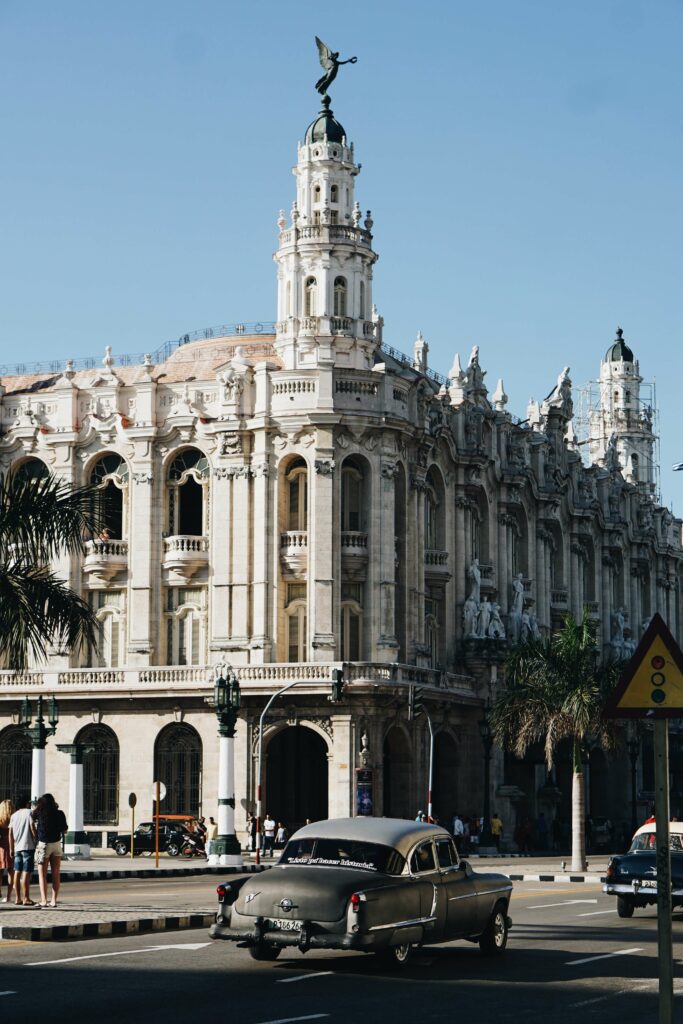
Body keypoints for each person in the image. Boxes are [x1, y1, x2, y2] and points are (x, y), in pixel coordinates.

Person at [32, 793, 68, 908]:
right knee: (56, 874)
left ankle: (44, 900)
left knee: (42, 875)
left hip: (43, 845)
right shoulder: (60, 813)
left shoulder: (39, 813)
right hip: (57, 844)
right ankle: (53, 901)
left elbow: (32, 819)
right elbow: (65, 830)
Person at [9, 798, 36, 906]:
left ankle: (17, 898)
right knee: (26, 873)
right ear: (27, 803)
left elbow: (10, 834)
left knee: (17, 871)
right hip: (28, 846)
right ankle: (26, 898)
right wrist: (36, 840)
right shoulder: (29, 813)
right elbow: (32, 828)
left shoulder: (13, 816)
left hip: (17, 848)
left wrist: (11, 848)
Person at [0, 799, 15, 902]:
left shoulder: (0, 821)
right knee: (11, 873)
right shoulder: (14, 820)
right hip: (12, 847)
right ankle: (9, 896)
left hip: (1, 848)